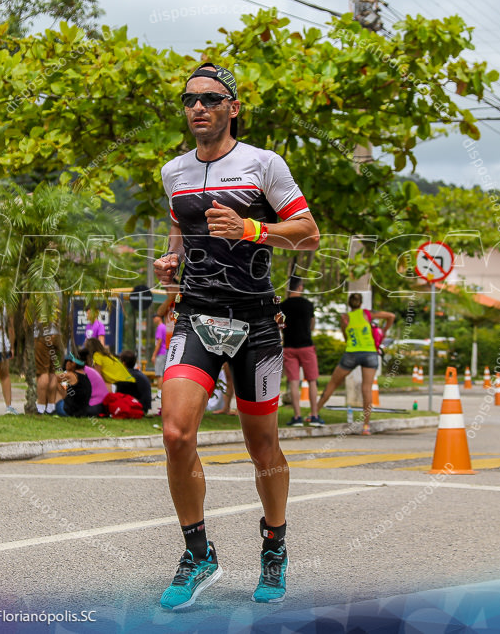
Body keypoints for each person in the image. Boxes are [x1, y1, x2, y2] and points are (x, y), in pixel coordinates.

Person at [152, 62, 319, 610]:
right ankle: (199, 555)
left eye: (209, 98)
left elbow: (308, 233)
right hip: (197, 315)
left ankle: (274, 545)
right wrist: (170, 261)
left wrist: (254, 229)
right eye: (188, 100)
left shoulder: (263, 165)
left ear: (233, 108)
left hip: (255, 323)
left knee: (262, 446)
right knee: (176, 434)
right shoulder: (172, 172)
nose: (197, 107)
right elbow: (180, 234)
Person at [313, 293, 395, 436]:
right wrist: (384, 332)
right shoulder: (367, 314)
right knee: (367, 390)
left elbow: (345, 337)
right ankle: (366, 426)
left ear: (349, 303)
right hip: (370, 353)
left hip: (351, 353)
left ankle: (314, 413)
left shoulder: (345, 317)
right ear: (361, 303)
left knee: (333, 383)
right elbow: (391, 316)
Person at [280, 276, 321, 427]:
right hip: (306, 346)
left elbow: (279, 325)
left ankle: (297, 416)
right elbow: (312, 325)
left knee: (293, 382)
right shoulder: (308, 305)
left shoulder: (282, 306)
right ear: (300, 287)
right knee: (312, 380)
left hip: (290, 347)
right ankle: (314, 415)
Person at [52, 351, 99, 417]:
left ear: (73, 363)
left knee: (55, 382)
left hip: (67, 411)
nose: (66, 363)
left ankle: (48, 409)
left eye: (68, 361)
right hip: (81, 412)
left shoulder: (71, 375)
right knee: (62, 384)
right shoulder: (84, 375)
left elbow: (51, 377)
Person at [34, 319, 63, 415]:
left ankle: (40, 407)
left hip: (42, 335)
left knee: (43, 372)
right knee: (52, 372)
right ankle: (51, 406)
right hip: (56, 335)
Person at [117, 350, 152, 414]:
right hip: (145, 408)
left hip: (136, 408)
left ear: (123, 363)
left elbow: (119, 395)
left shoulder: (125, 376)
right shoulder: (140, 374)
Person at [152, 310, 170, 395]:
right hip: (164, 352)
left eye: (154, 317)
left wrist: (154, 355)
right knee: (161, 373)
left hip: (161, 353)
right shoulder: (164, 326)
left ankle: (159, 394)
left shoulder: (160, 327)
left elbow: (159, 342)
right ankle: (160, 393)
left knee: (159, 374)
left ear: (159, 318)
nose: (153, 319)